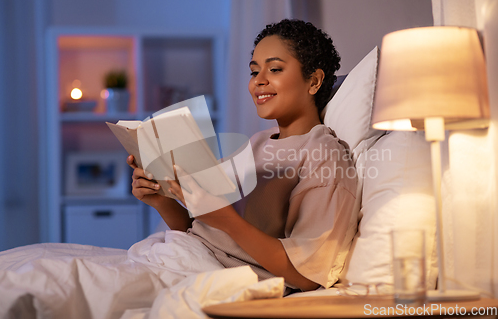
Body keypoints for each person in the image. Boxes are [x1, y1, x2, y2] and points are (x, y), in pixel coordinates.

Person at [127, 19, 358, 292]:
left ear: (314, 80)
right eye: (253, 71)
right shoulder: (258, 142)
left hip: (216, 276)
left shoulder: (323, 154)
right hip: (185, 254)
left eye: (274, 69)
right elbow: (202, 229)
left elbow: (308, 274)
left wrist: (226, 219)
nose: (258, 81)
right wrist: (161, 200)